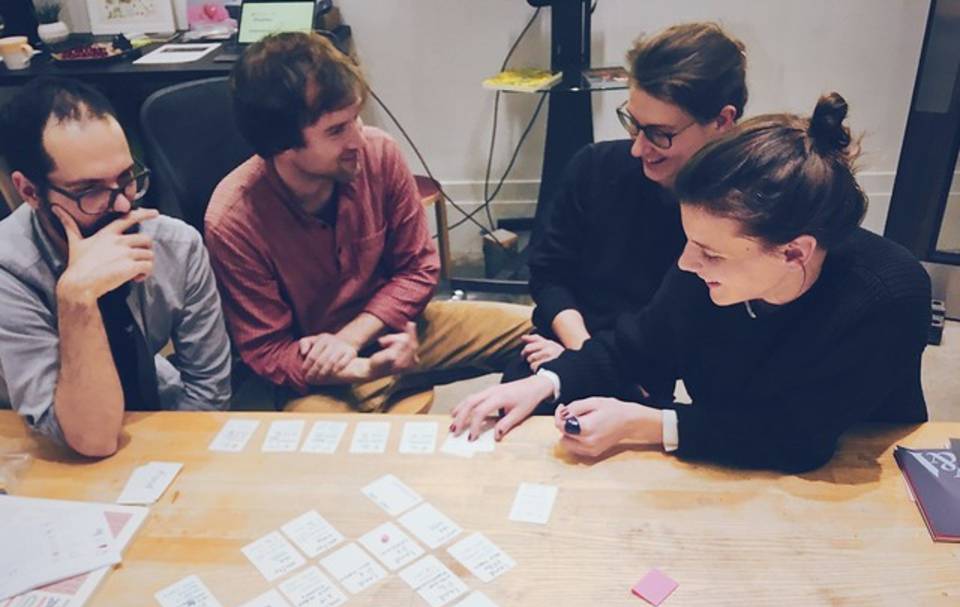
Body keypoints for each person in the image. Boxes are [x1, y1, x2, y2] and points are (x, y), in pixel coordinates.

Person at [451, 94, 932, 474]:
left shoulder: (887, 295)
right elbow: (637, 346)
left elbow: (798, 438)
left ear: (794, 253)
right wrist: (543, 384)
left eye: (710, 252)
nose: (686, 262)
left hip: (854, 470)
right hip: (730, 454)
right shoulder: (703, 269)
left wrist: (650, 424)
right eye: (690, 241)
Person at [205, 33, 531, 412]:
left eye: (355, 118)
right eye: (336, 130)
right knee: (316, 444)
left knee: (545, 330)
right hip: (324, 374)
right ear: (281, 145)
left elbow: (419, 268)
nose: (358, 140)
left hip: (397, 328)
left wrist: (352, 337)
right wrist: (363, 368)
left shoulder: (379, 153)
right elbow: (270, 352)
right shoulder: (234, 219)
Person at [0, 77, 231, 457]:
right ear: (29, 191)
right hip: (51, 439)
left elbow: (209, 393)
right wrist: (77, 299)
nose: (123, 205)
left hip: (157, 418)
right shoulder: (11, 271)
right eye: (89, 190)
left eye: (127, 179)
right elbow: (89, 437)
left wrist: (171, 463)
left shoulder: (176, 244)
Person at [507, 22, 746, 383]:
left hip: (645, 366)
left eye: (660, 134)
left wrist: (590, 366)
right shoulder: (595, 167)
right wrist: (583, 353)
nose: (638, 147)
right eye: (634, 124)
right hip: (569, 340)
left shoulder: (738, 209)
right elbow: (548, 274)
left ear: (722, 120)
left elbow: (699, 339)